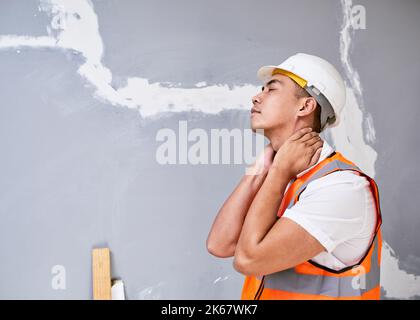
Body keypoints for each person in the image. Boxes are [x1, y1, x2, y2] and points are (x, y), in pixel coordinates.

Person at [206, 53, 382, 300]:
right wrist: (259, 171)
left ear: (305, 106)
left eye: (272, 90)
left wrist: (277, 173)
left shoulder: (342, 187)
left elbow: (248, 260)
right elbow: (219, 244)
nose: (256, 97)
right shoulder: (283, 174)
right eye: (261, 89)